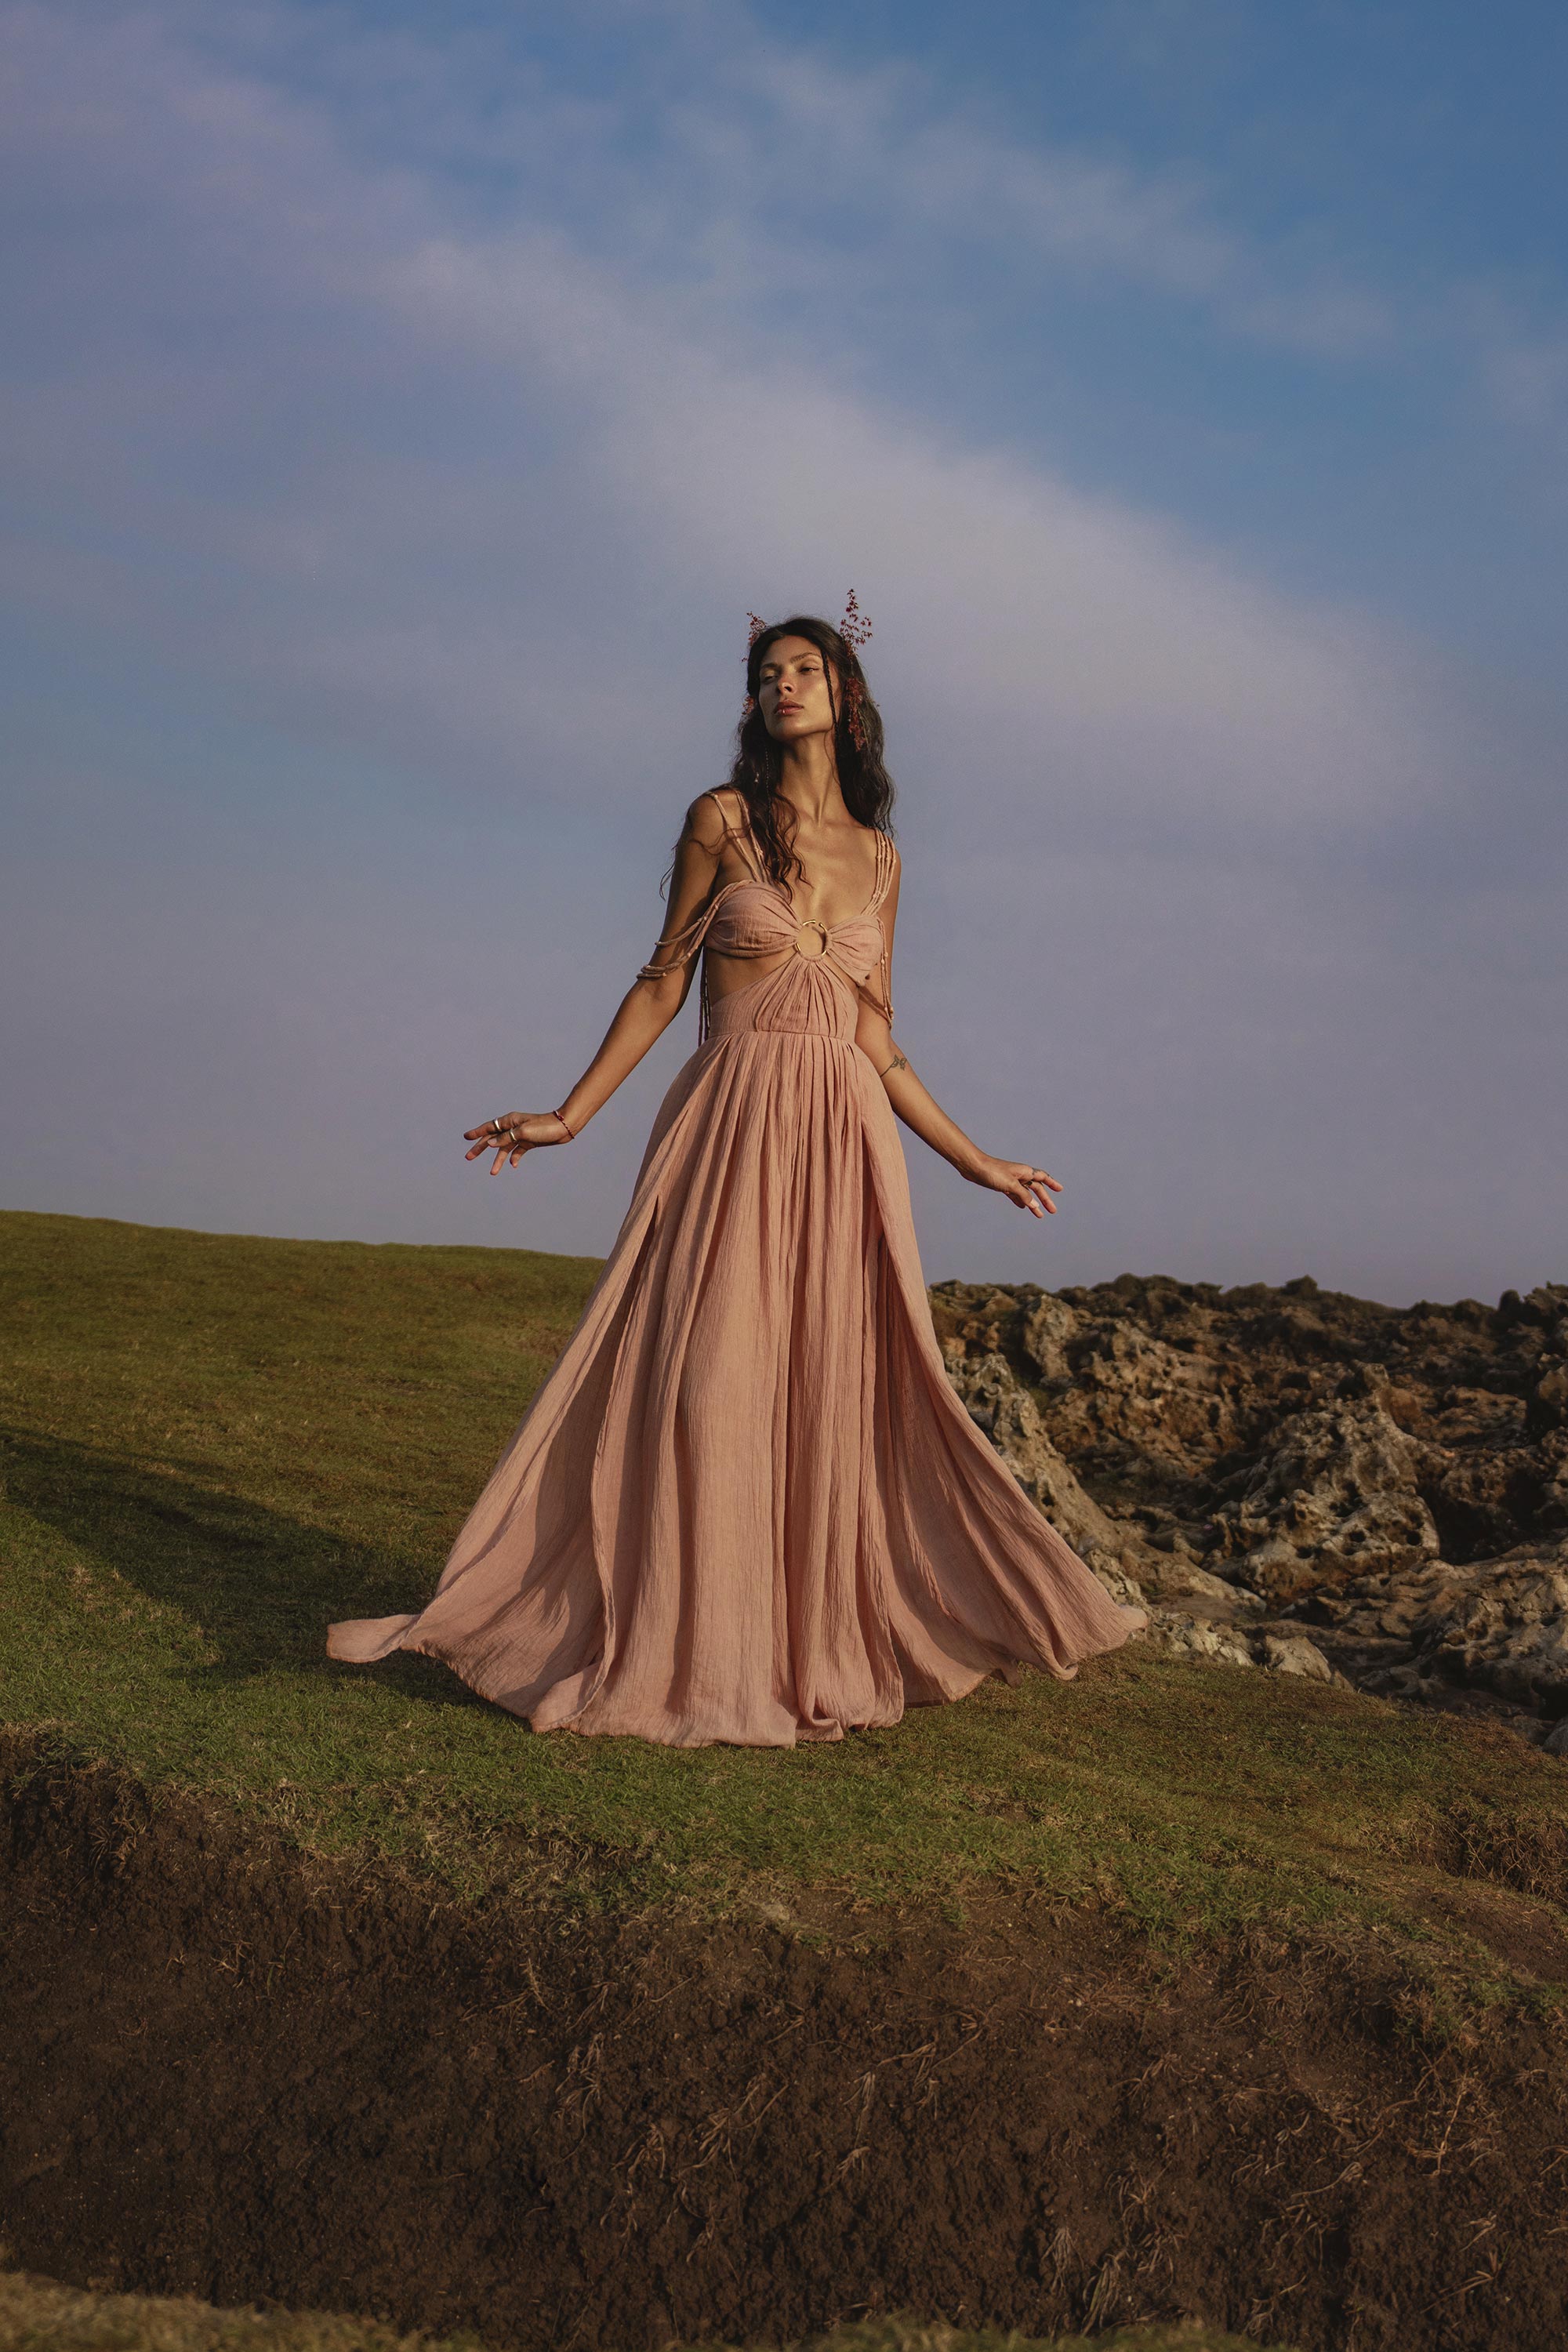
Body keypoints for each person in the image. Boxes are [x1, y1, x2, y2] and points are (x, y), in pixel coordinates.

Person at [327, 604, 1146, 1744]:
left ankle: (802, 1640)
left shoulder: (884, 857)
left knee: (834, 1389)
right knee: (708, 1382)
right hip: (732, 1125)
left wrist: (974, 1160)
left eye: (805, 669)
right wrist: (569, 1115)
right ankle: (684, 1637)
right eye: (767, 674)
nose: (784, 686)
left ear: (846, 696)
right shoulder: (720, 820)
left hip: (845, 1142)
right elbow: (664, 982)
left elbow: (881, 1038)